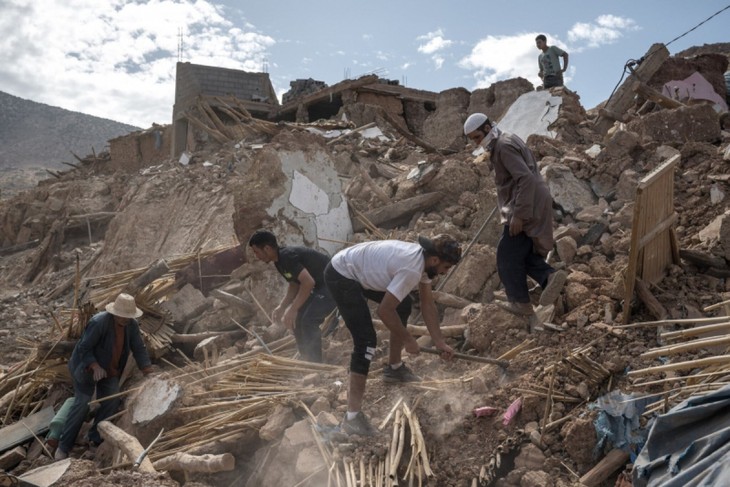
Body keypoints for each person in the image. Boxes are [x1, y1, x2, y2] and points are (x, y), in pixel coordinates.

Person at [324, 235, 459, 436]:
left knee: (403, 305)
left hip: (356, 268)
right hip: (342, 273)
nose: (445, 272)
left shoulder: (423, 263)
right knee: (366, 341)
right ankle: (352, 418)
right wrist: (408, 339)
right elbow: (384, 312)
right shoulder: (412, 269)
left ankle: (394, 368)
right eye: (446, 267)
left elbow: (427, 303)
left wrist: (439, 342)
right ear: (434, 260)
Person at [463, 113, 566, 317]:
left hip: (527, 203)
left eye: (476, 137)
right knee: (521, 253)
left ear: (486, 129)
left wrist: (519, 214)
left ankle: (521, 304)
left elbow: (524, 179)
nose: (476, 142)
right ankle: (549, 277)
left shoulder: (503, 145)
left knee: (506, 255)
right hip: (531, 199)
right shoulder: (505, 140)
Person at [55, 293, 152, 460]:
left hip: (110, 370)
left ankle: (94, 438)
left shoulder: (132, 325)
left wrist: (147, 369)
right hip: (84, 367)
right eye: (122, 316)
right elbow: (83, 348)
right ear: (115, 313)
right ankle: (63, 446)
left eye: (128, 317)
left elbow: (139, 348)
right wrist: (94, 365)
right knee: (82, 403)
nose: (125, 319)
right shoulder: (99, 322)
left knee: (112, 400)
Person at [248, 230, 336, 363]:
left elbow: (308, 282)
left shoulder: (287, 256)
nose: (256, 256)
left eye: (257, 252)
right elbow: (294, 284)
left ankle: (315, 364)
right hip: (320, 288)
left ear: (267, 248)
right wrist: (282, 307)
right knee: (297, 319)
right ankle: (305, 358)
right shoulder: (279, 261)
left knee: (308, 320)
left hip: (334, 284)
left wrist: (293, 309)